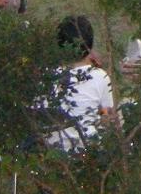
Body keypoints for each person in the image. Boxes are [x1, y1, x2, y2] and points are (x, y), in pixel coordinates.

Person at [46, 15, 116, 151]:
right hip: (87, 148)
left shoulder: (48, 76)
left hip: (53, 147)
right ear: (89, 44)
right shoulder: (99, 76)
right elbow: (106, 116)